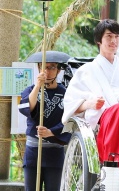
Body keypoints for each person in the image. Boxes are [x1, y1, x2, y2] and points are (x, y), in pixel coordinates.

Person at [62, 19, 119, 126]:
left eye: (116, 36)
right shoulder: (85, 71)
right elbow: (70, 104)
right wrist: (89, 104)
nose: (114, 40)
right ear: (99, 40)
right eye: (109, 36)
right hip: (103, 122)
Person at [19, 51, 72, 191]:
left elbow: (70, 119)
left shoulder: (66, 93)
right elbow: (27, 109)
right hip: (33, 152)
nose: (47, 71)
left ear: (59, 70)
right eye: (43, 67)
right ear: (38, 68)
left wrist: (51, 132)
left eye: (52, 67)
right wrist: (37, 86)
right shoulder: (30, 90)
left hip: (55, 153)